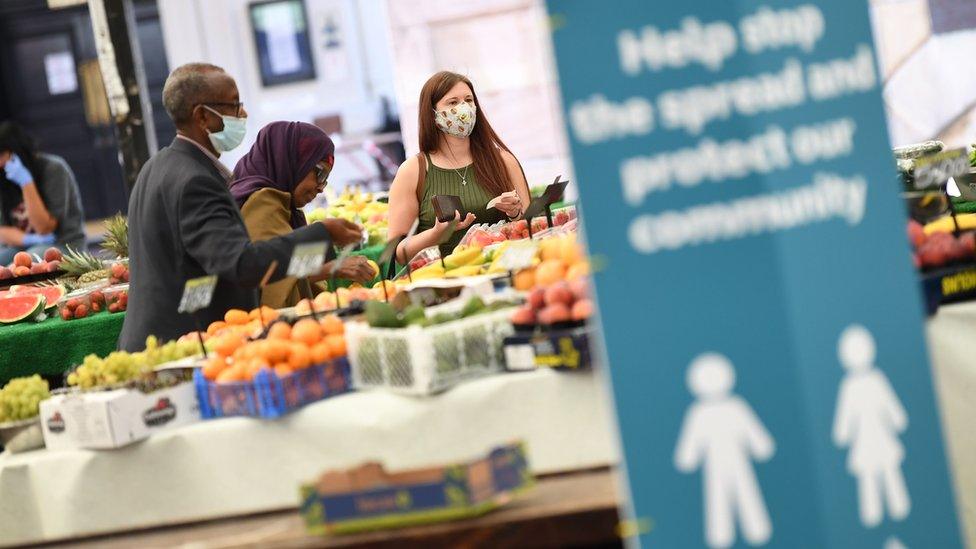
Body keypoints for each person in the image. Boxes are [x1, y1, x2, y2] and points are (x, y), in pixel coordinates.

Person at [119, 63, 362, 351]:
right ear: (203, 117)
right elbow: (244, 265)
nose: (243, 114)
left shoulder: (156, 167)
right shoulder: (198, 181)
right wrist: (323, 233)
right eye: (234, 105)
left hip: (168, 338)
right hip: (181, 345)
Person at [388, 71, 531, 263]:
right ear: (432, 114)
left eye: (468, 100)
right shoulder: (413, 170)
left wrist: (515, 214)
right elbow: (398, 253)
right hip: (444, 282)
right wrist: (437, 233)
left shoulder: (504, 161)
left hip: (505, 269)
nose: (464, 109)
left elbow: (532, 228)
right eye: (453, 102)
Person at [230, 121, 375, 308]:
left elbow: (290, 263)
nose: (321, 188)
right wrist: (332, 267)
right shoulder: (263, 201)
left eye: (326, 179)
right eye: (320, 174)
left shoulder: (284, 205)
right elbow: (271, 279)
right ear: (290, 159)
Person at [0, 122, 86, 265]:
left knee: (19, 267)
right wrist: (27, 239)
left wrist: (26, 183)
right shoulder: (3, 178)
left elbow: (44, 228)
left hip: (62, 244)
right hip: (20, 246)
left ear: (18, 151)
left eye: (2, 154)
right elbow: (2, 231)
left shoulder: (53, 169)